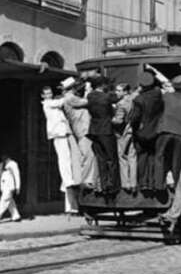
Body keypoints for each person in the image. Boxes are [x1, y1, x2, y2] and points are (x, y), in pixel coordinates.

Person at [41, 84, 79, 212]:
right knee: (64, 161)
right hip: (58, 134)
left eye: (50, 93)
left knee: (66, 162)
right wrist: (68, 93)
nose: (49, 95)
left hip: (62, 133)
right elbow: (61, 101)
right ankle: (68, 183)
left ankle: (67, 189)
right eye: (46, 93)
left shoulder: (53, 104)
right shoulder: (47, 103)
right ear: (43, 96)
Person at [154, 75, 181, 191]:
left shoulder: (165, 96)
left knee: (159, 156)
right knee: (177, 161)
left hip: (165, 129)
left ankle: (159, 184)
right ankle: (177, 186)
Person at [86, 76, 121, 194]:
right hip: (106, 129)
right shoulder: (107, 96)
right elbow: (117, 97)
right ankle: (113, 185)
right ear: (102, 85)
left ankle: (104, 184)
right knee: (111, 158)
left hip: (94, 129)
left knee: (101, 158)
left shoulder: (90, 96)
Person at [129, 71, 163, 192]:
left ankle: (143, 183)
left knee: (142, 157)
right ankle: (152, 182)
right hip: (156, 130)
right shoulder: (159, 95)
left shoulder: (139, 99)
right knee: (153, 157)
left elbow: (135, 118)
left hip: (142, 132)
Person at [63, 79, 98, 190]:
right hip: (82, 129)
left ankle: (88, 179)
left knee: (88, 154)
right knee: (87, 155)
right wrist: (88, 90)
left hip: (84, 129)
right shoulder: (70, 98)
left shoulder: (71, 97)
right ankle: (86, 180)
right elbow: (86, 101)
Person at [112, 83, 137, 193]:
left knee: (122, 156)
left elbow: (119, 120)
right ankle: (134, 183)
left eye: (119, 90)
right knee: (132, 156)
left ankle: (125, 183)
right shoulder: (134, 99)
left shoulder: (121, 104)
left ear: (125, 92)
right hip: (133, 130)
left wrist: (110, 119)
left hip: (124, 132)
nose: (116, 93)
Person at [0, 155, 21, 222]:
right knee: (10, 202)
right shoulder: (2, 164)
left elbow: (17, 175)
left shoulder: (13, 164)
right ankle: (16, 216)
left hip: (10, 186)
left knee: (3, 202)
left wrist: (18, 187)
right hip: (4, 186)